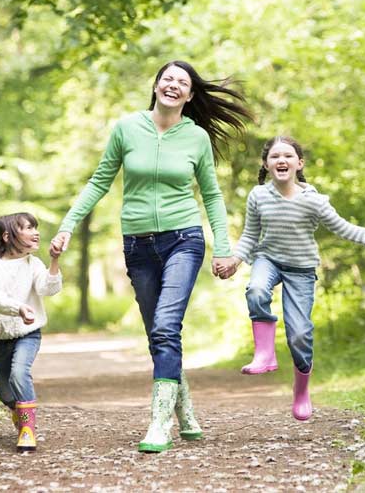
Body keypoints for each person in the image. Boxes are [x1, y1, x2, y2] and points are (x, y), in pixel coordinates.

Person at [50, 60, 251, 453]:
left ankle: (159, 425)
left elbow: (210, 194)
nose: (173, 85)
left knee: (164, 326)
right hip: (137, 245)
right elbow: (100, 180)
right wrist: (67, 225)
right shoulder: (127, 128)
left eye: (182, 82)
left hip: (184, 239)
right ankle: (186, 410)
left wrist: (224, 248)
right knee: (158, 334)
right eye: (167, 79)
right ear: (156, 86)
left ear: (190, 95)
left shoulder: (196, 138)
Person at [218, 136, 365, 421]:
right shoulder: (258, 196)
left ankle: (301, 390)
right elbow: (250, 236)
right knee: (255, 289)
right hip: (268, 260)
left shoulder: (313, 201)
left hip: (301, 269)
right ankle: (264, 354)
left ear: (299, 163)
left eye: (288, 156)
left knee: (300, 335)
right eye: (275, 156)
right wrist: (235, 260)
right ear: (266, 164)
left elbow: (345, 229)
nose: (282, 160)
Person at [0, 212, 62, 452]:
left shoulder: (33, 263)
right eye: (28, 227)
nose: (36, 232)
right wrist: (18, 308)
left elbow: (48, 289)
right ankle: (19, 411)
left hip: (28, 332)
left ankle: (27, 430)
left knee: (18, 374)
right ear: (7, 236)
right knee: (5, 393)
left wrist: (54, 262)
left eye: (36, 227)